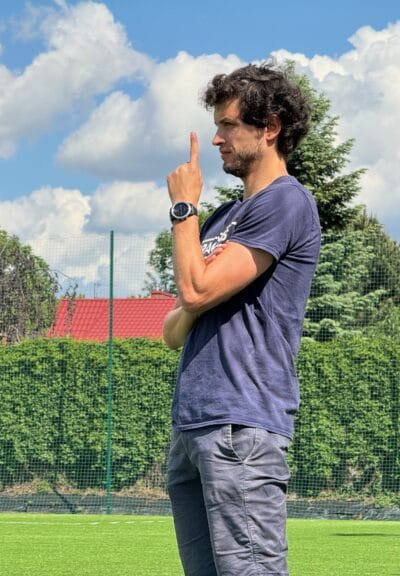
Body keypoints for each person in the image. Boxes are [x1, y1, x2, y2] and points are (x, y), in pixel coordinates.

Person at [162, 64, 321, 575]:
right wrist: (196, 296)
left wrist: (184, 207)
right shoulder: (224, 218)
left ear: (268, 128)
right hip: (194, 427)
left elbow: (195, 288)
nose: (216, 138)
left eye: (228, 125)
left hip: (241, 425)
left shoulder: (285, 202)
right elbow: (171, 329)